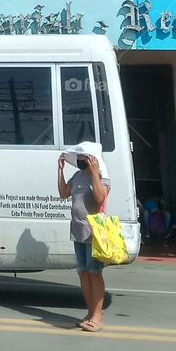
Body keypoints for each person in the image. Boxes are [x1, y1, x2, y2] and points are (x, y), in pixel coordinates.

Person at [57, 141, 110, 332]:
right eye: (78, 158)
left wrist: (95, 173)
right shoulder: (77, 176)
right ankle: (89, 313)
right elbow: (63, 193)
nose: (80, 161)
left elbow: (99, 198)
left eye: (83, 158)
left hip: (94, 233)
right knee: (83, 272)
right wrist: (60, 171)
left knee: (94, 273)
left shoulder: (102, 178)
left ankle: (97, 316)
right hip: (78, 232)